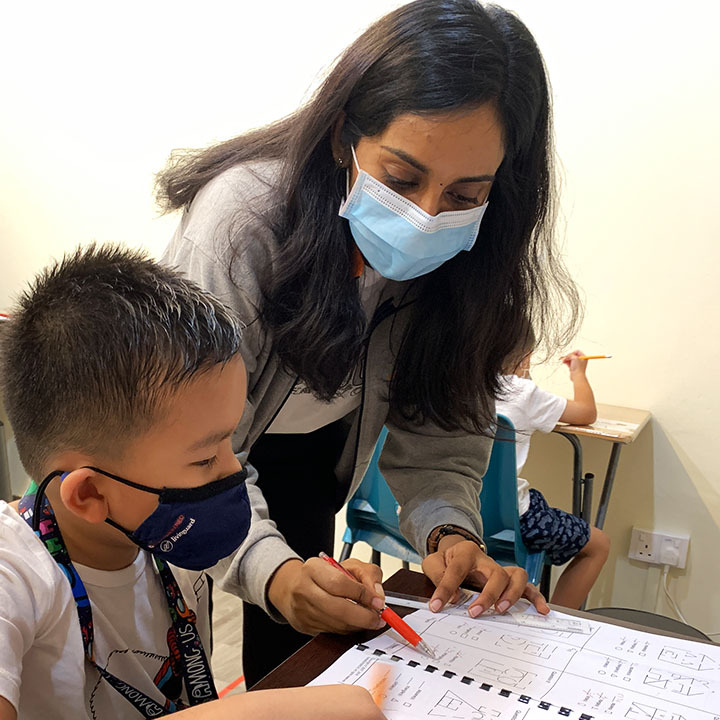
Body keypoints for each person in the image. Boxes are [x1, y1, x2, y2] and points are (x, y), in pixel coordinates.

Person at [157, 0, 578, 684]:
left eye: (465, 194)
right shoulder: (243, 223)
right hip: (193, 458)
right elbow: (184, 448)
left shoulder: (472, 259)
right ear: (342, 137)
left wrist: (449, 532)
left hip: (312, 464)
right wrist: (272, 573)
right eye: (402, 178)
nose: (427, 216)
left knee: (299, 652)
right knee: (175, 652)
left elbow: (442, 438)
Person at [0, 246, 384, 720]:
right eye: (205, 458)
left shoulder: (167, 538)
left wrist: (305, 587)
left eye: (231, 441)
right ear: (90, 493)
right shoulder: (13, 576)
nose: (236, 471)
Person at [496, 347, 611, 608]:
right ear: (525, 356)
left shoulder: (452, 385)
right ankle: (556, 621)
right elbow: (586, 413)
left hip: (452, 515)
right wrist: (578, 374)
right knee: (598, 545)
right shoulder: (522, 392)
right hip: (514, 521)